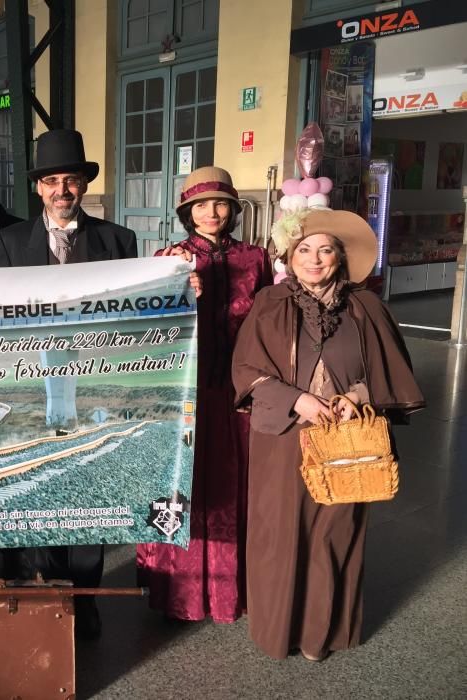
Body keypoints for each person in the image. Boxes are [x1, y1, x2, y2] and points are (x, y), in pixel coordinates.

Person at [231, 208, 424, 661]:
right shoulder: (268, 302)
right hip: (283, 438)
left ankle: (323, 633)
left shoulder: (367, 307)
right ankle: (280, 630)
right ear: (291, 256)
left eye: (325, 251)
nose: (314, 260)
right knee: (279, 534)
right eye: (305, 250)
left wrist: (356, 395)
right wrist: (297, 400)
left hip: (347, 438)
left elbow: (392, 372)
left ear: (340, 257)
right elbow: (245, 370)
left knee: (333, 534)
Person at [0, 129, 137, 639]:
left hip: (95, 381)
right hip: (35, 380)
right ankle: (47, 594)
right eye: (52, 181)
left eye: (70, 180)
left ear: (83, 184)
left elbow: (130, 315)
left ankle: (87, 599)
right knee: (41, 484)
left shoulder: (118, 240)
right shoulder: (9, 242)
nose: (61, 190)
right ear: (39, 189)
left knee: (89, 486)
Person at [137, 166, 272, 624]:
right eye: (200, 205)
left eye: (220, 204)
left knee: (234, 487)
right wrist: (171, 284)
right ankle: (178, 590)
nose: (211, 213)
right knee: (182, 486)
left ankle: (236, 589)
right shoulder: (168, 256)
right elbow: (148, 326)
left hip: (237, 395)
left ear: (233, 209)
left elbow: (270, 324)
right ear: (186, 212)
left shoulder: (256, 259)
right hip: (184, 394)